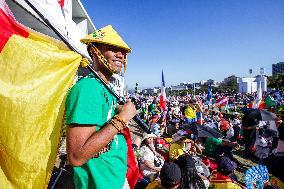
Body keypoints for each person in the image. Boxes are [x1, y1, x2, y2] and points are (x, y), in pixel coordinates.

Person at [65, 25, 137, 189]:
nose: (121, 55)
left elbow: (99, 136)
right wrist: (123, 118)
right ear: (93, 51)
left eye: (123, 51)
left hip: (115, 177)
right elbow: (77, 156)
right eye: (113, 49)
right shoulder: (87, 89)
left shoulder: (104, 88)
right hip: (101, 183)